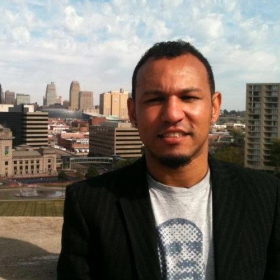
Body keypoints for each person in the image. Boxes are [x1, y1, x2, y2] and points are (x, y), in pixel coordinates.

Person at [57, 41, 280, 280]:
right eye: (155, 100)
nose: (172, 114)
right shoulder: (88, 204)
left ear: (214, 107)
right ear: (132, 112)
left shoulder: (267, 195)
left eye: (188, 97)